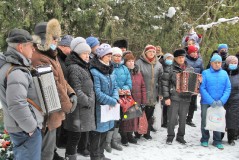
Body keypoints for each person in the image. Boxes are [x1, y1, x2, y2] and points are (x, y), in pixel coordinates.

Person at [31, 19, 77, 160]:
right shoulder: (39, 57)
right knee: (45, 152)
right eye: (54, 38)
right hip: (47, 114)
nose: (56, 41)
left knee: (50, 150)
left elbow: (61, 79)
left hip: (55, 111)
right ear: (44, 38)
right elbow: (53, 86)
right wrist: (68, 105)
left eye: (57, 38)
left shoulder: (51, 54)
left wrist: (71, 92)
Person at [0, 28, 43, 159]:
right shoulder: (16, 72)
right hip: (24, 130)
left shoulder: (8, 65)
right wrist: (31, 128)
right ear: (20, 47)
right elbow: (17, 104)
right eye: (30, 46)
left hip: (19, 127)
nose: (33, 49)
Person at [64, 37, 96, 160]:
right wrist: (88, 101)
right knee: (74, 136)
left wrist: (91, 97)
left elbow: (90, 86)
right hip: (78, 109)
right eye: (85, 53)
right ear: (77, 54)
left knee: (78, 135)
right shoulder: (74, 68)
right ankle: (70, 156)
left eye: (88, 53)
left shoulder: (83, 66)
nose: (88, 56)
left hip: (84, 108)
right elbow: (75, 89)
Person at [90, 43, 119, 160]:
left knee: (105, 132)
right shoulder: (95, 71)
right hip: (99, 108)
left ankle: (101, 154)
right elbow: (97, 93)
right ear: (101, 56)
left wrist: (115, 98)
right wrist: (112, 101)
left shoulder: (110, 69)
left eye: (110, 55)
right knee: (97, 134)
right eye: (107, 55)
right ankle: (95, 156)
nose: (110, 57)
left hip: (109, 108)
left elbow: (115, 86)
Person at [200, 53, 231, 150]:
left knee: (218, 120)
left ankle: (217, 140)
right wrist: (210, 101)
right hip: (206, 102)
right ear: (211, 63)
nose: (217, 64)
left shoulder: (224, 73)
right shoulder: (205, 73)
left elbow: (228, 88)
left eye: (219, 62)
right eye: (215, 62)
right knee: (205, 120)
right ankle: (204, 138)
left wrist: (222, 100)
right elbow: (202, 88)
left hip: (219, 102)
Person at [163, 49, 193, 145]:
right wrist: (166, 97)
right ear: (175, 58)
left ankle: (180, 136)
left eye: (183, 57)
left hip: (186, 98)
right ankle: (170, 136)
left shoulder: (190, 68)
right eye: (179, 57)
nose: (181, 59)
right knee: (171, 118)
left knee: (183, 119)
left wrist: (197, 85)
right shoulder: (170, 68)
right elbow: (164, 83)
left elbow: (193, 83)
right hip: (174, 97)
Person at [135, 44, 163, 140]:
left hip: (153, 93)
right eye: (149, 51)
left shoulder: (158, 65)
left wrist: (160, 93)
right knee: (140, 113)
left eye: (153, 52)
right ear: (145, 53)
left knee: (149, 114)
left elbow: (160, 80)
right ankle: (138, 132)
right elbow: (136, 78)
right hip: (141, 93)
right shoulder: (139, 63)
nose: (151, 53)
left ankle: (147, 132)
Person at [111, 47, 133, 147]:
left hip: (122, 98)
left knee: (118, 119)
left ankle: (114, 140)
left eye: (119, 56)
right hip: (111, 96)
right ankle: (106, 141)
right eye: (115, 55)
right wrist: (116, 90)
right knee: (109, 119)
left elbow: (129, 82)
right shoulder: (108, 67)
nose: (117, 58)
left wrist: (125, 88)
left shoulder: (124, 68)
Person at [123, 52, 147, 140]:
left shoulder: (138, 73)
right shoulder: (123, 72)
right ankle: (124, 135)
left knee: (133, 118)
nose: (131, 63)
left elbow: (143, 87)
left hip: (137, 99)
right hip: (126, 99)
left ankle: (130, 134)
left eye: (132, 61)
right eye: (129, 61)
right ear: (125, 62)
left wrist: (143, 101)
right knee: (125, 118)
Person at [185, 45, 204, 127]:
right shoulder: (185, 60)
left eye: (196, 52)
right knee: (185, 101)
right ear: (189, 53)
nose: (195, 54)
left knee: (193, 102)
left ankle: (189, 119)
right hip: (186, 82)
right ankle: (182, 117)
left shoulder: (200, 61)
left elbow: (202, 71)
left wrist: (201, 82)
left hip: (195, 82)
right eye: (193, 52)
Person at [224, 56, 239, 146]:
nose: (233, 64)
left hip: (236, 98)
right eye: (231, 62)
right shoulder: (223, 72)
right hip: (223, 98)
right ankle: (219, 136)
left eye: (235, 63)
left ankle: (231, 137)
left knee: (233, 118)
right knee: (221, 117)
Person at [161, 53, 174, 128]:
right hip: (163, 89)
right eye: (168, 58)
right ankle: (164, 121)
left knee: (168, 107)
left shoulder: (172, 67)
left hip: (170, 89)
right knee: (164, 107)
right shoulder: (161, 66)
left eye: (171, 59)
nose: (170, 60)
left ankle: (167, 121)